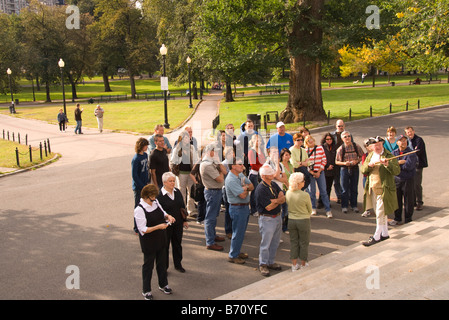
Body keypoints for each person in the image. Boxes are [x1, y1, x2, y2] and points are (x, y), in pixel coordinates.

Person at [134, 184, 176, 300]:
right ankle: (146, 290)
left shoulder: (156, 202)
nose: (155, 198)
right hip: (149, 242)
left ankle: (163, 284)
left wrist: (169, 217)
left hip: (160, 239)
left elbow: (164, 213)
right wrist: (158, 227)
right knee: (148, 266)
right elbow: (143, 229)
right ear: (147, 196)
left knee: (161, 264)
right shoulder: (139, 210)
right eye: (153, 196)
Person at [361, 136, 400, 246]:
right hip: (372, 188)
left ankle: (376, 236)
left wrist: (387, 164)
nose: (377, 147)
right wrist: (368, 166)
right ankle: (385, 234)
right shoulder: (370, 155)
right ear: (372, 147)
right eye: (375, 145)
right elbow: (363, 170)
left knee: (380, 213)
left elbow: (397, 171)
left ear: (382, 144)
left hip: (384, 189)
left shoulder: (389, 156)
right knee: (380, 212)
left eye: (379, 145)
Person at [255, 164, 286, 277]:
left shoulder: (273, 184)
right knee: (266, 243)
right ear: (263, 176)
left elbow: (283, 196)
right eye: (269, 174)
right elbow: (268, 207)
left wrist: (276, 201)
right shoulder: (260, 189)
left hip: (277, 216)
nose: (272, 175)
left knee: (275, 242)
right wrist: (279, 200)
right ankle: (263, 264)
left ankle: (271, 261)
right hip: (267, 218)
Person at [157, 172, 188, 273]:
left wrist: (184, 220)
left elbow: (182, 207)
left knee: (177, 244)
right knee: (165, 247)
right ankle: (164, 268)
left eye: (173, 181)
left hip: (178, 224)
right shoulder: (159, 196)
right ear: (164, 182)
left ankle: (178, 264)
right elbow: (159, 212)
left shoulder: (177, 192)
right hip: (166, 226)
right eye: (170, 181)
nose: (172, 183)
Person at [225, 158, 254, 264]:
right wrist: (246, 189)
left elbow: (252, 186)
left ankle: (236, 251)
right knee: (237, 232)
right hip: (237, 208)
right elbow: (242, 195)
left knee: (241, 232)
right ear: (233, 166)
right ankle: (233, 255)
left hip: (244, 207)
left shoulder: (240, 175)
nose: (243, 166)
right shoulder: (231, 179)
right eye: (240, 164)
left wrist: (244, 187)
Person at [200, 143, 227, 251]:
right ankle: (210, 241)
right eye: (214, 151)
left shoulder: (213, 162)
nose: (216, 153)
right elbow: (220, 178)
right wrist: (220, 169)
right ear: (208, 152)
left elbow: (225, 171)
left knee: (214, 216)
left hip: (217, 191)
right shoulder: (207, 165)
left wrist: (219, 163)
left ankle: (213, 235)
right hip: (212, 192)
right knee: (210, 218)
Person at [286, 172, 312, 271]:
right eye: (302, 181)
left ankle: (294, 264)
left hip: (292, 220)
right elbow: (309, 209)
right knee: (304, 242)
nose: (304, 182)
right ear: (298, 183)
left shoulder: (288, 193)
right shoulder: (305, 195)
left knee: (294, 242)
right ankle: (303, 263)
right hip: (303, 220)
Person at [390, 134, 417, 225]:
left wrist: (398, 164)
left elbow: (409, 166)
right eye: (401, 140)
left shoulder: (411, 153)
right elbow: (392, 166)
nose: (403, 142)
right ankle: (397, 218)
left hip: (408, 179)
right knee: (397, 199)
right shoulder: (394, 153)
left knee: (408, 200)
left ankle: (408, 218)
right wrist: (400, 162)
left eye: (405, 140)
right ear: (397, 142)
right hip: (397, 179)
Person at [335, 131, 364, 214]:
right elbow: (336, 161)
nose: (347, 138)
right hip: (344, 169)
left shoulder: (356, 146)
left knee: (354, 187)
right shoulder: (341, 149)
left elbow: (362, 156)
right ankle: (344, 206)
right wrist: (345, 163)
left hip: (355, 168)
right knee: (344, 189)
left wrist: (356, 161)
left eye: (348, 136)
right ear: (342, 139)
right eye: (345, 137)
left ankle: (354, 205)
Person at [170, 130, 198, 216]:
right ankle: (183, 210)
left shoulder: (192, 148)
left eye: (188, 137)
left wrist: (194, 172)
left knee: (191, 191)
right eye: (185, 137)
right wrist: (174, 172)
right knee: (181, 192)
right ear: (181, 139)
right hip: (181, 174)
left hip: (190, 173)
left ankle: (191, 210)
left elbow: (196, 160)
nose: (187, 139)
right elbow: (172, 161)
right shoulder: (177, 149)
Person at [304, 135, 332, 218]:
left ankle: (328, 210)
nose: (310, 141)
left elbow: (324, 160)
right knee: (311, 191)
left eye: (311, 139)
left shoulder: (320, 148)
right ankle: (313, 207)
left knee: (323, 191)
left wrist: (319, 171)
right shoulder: (305, 151)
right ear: (306, 142)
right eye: (308, 140)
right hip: (310, 173)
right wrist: (312, 173)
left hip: (320, 172)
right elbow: (306, 164)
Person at [405, 126, 428, 211]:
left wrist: (411, 152)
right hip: (410, 165)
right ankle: (413, 201)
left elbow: (417, 151)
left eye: (411, 132)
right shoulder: (407, 141)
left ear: (413, 131)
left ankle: (419, 202)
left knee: (417, 184)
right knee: (411, 184)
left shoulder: (419, 140)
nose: (409, 134)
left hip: (418, 165)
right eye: (408, 132)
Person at [248, 134, 267, 215]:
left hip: (261, 174)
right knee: (254, 192)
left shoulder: (261, 150)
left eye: (259, 140)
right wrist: (262, 168)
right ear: (252, 141)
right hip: (255, 174)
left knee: (260, 192)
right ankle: (253, 209)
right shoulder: (251, 151)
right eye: (256, 140)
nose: (258, 142)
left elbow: (264, 161)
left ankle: (260, 208)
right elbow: (253, 165)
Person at [321, 133, 338, 205]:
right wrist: (327, 166)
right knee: (323, 187)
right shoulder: (321, 147)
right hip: (324, 170)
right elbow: (321, 158)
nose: (329, 140)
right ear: (324, 140)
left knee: (329, 187)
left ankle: (327, 202)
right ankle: (320, 202)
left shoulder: (335, 147)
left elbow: (336, 158)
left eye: (330, 139)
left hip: (332, 170)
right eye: (327, 139)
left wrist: (332, 166)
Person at [279, 148, 294, 231]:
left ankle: (286, 226)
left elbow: (293, 175)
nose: (288, 157)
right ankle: (281, 226)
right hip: (284, 189)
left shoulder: (290, 164)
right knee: (284, 209)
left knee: (288, 209)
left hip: (290, 189)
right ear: (282, 156)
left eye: (289, 155)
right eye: (286, 155)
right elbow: (283, 178)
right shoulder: (280, 165)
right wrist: (288, 186)